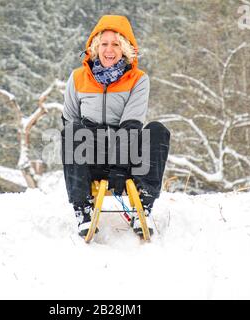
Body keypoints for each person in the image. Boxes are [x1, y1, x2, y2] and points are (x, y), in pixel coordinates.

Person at [61, 15, 170, 237]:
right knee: (71, 132)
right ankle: (82, 209)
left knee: (157, 130)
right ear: (95, 47)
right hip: (91, 156)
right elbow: (69, 120)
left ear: (126, 49)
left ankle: (143, 204)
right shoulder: (78, 78)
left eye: (116, 44)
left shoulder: (138, 79)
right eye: (104, 44)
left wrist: (120, 168)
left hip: (128, 157)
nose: (109, 50)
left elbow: (131, 125)